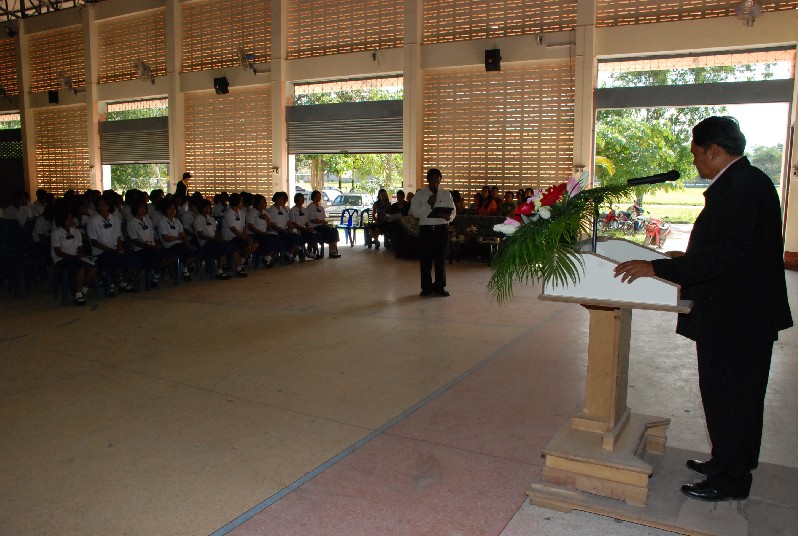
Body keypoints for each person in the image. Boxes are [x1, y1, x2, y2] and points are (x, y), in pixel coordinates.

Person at [614, 116, 792, 502]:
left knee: (732, 396)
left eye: (696, 154)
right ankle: (727, 461)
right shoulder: (744, 181)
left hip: (737, 316)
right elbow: (726, 248)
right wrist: (684, 258)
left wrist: (659, 268)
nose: (695, 162)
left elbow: (724, 256)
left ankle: (731, 480)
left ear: (714, 150)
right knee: (731, 394)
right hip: (735, 311)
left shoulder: (741, 187)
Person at [409, 168, 455, 297]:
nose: (435, 184)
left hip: (441, 230)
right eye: (433, 181)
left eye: (438, 181)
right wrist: (428, 204)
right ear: (428, 180)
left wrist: (449, 217)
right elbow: (414, 212)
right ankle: (426, 288)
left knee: (440, 260)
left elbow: (453, 212)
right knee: (426, 260)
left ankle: (440, 287)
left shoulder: (446, 194)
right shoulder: (420, 194)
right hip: (426, 230)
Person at [307, 190, 341, 259]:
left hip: (322, 226)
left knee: (334, 231)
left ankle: (332, 251)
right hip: (315, 226)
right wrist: (322, 222)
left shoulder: (321, 208)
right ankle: (332, 251)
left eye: (319, 197)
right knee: (330, 232)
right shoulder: (310, 207)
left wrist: (324, 223)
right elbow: (313, 220)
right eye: (316, 197)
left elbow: (323, 219)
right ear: (313, 197)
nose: (318, 198)